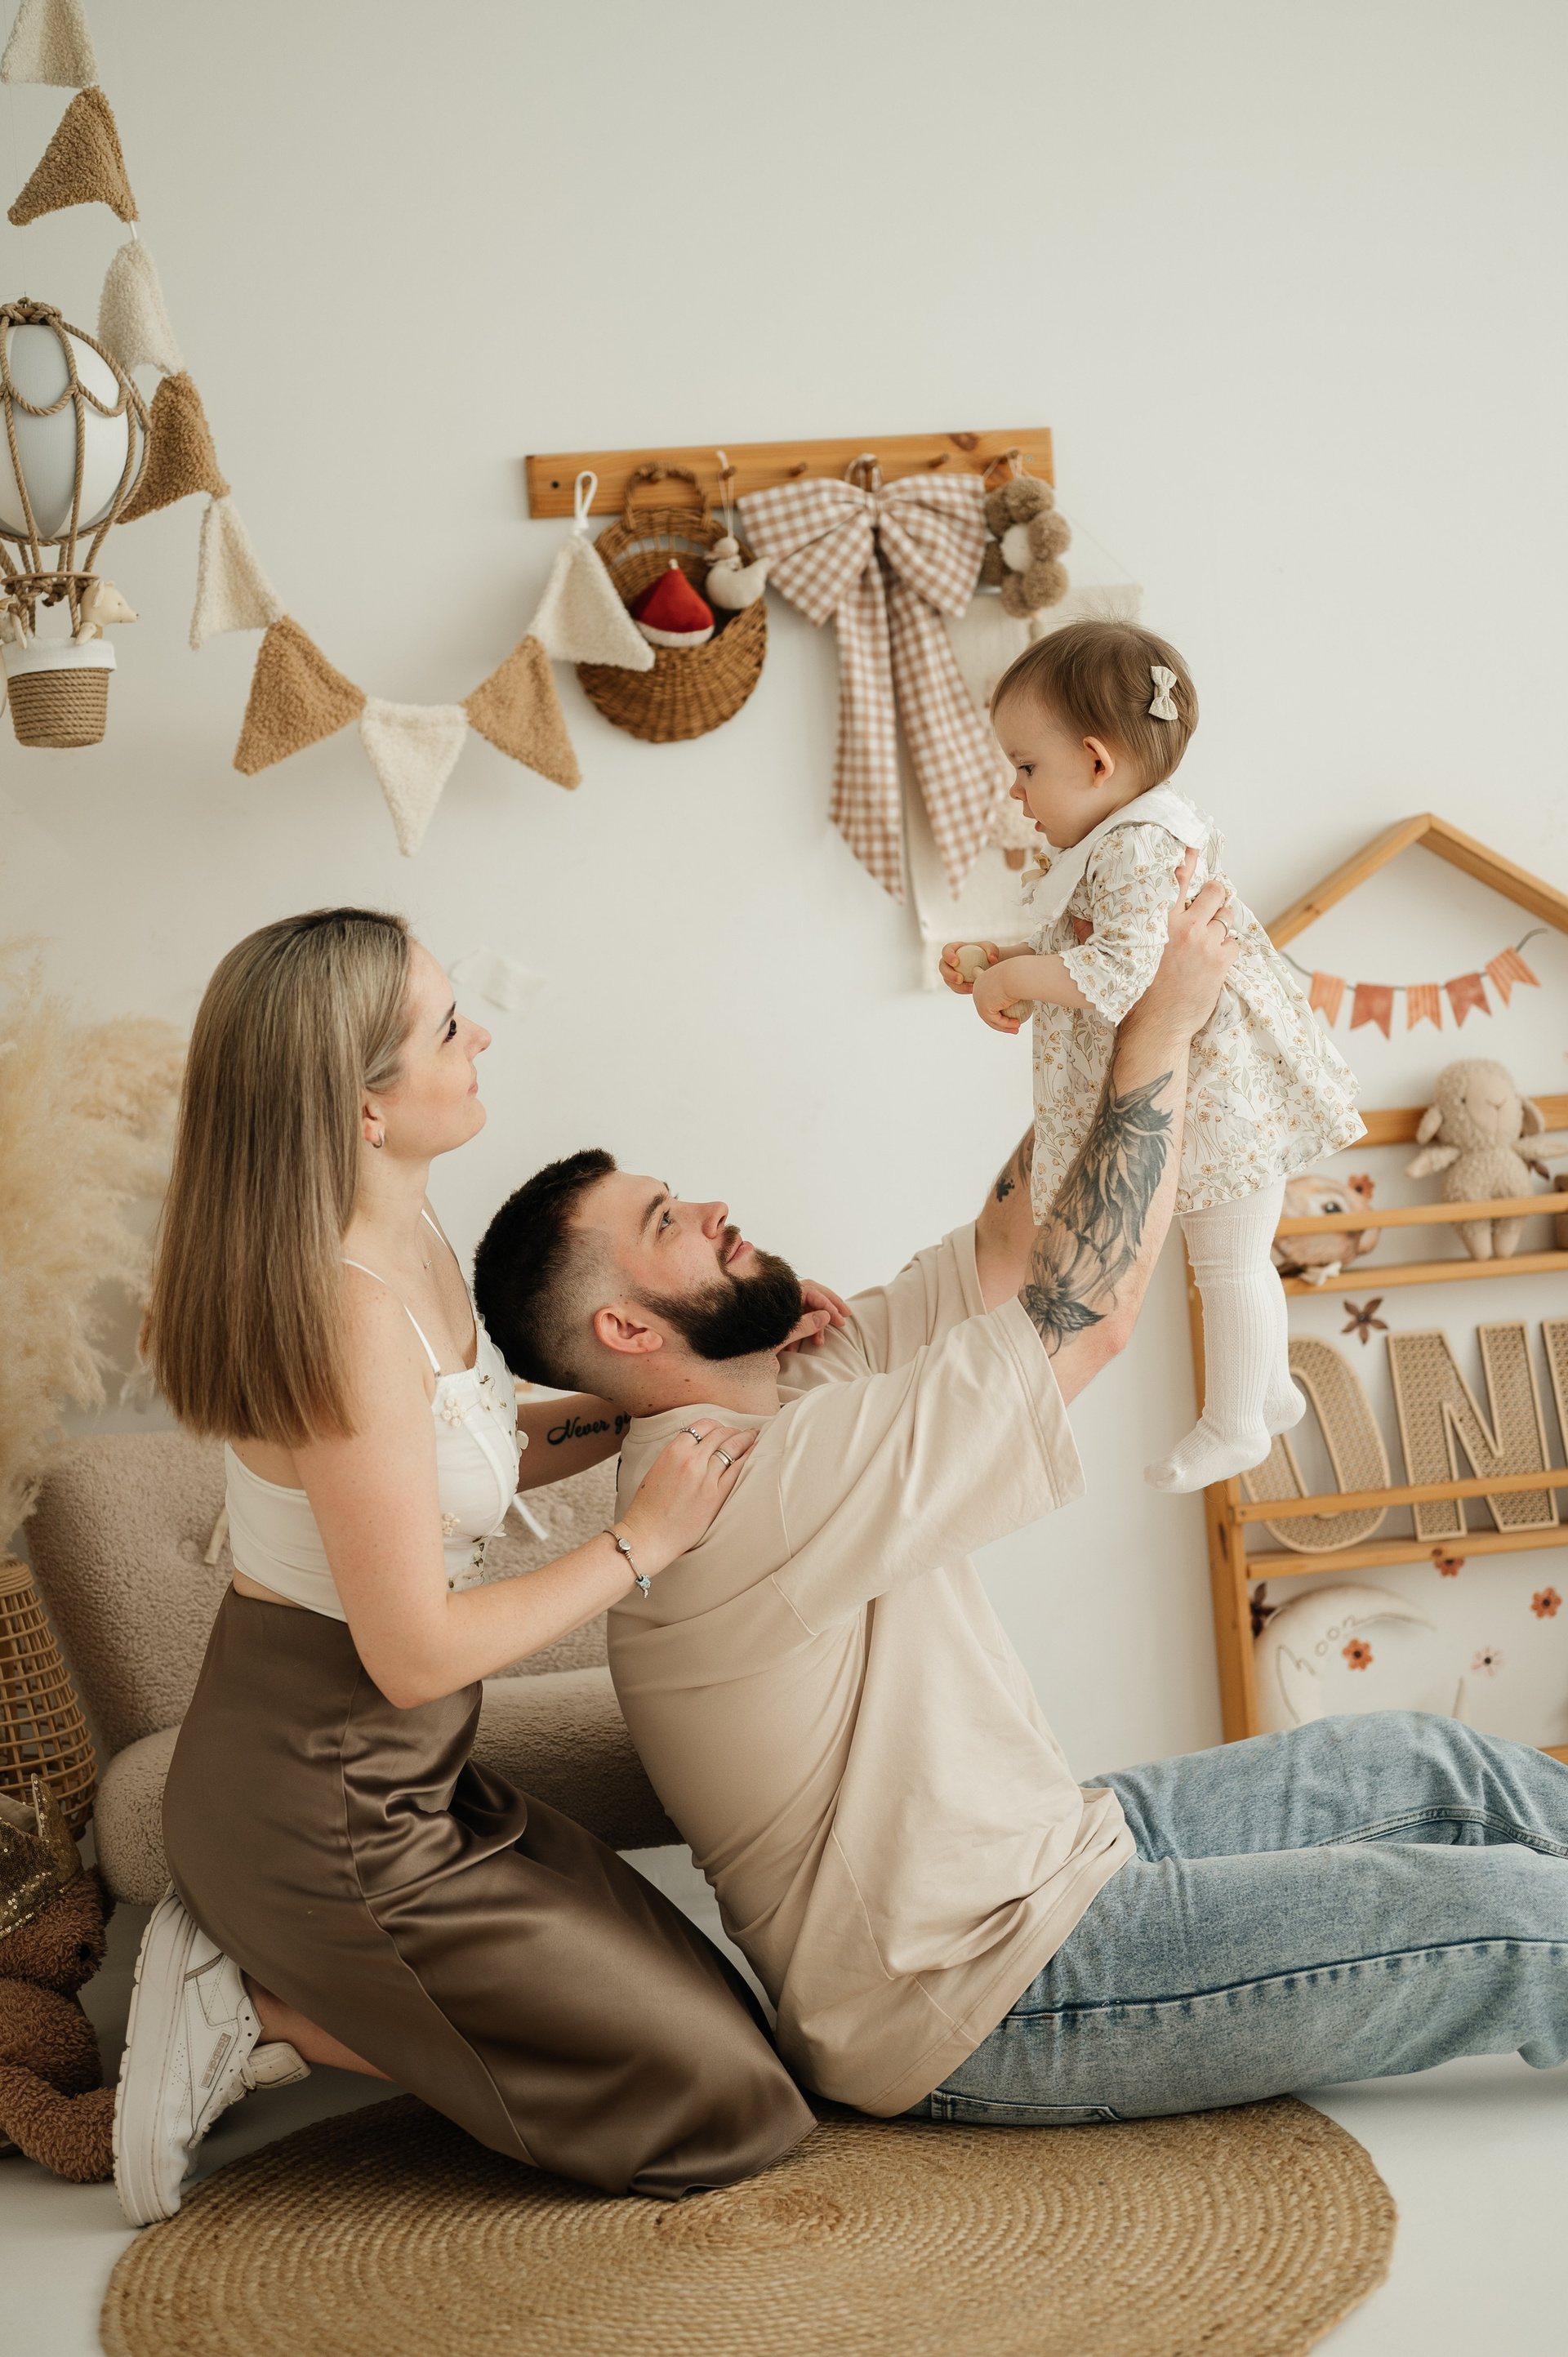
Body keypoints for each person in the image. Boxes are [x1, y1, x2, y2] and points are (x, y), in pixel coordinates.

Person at [473, 865, 1568, 2132]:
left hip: (1054, 1849)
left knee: (1428, 1763)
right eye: (669, 1219)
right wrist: (1159, 1031)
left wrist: (1106, 995)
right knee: (1506, 1919)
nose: (713, 1206)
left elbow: (1015, 1240)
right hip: (986, 1987)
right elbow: (1082, 1312)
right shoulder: (736, 1490)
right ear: (626, 1326)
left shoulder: (794, 1383)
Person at [117, 908, 816, 2229]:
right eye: (447, 1026)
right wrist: (640, 1541)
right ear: (364, 1109)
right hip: (319, 1798)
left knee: (742, 2036)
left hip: (408, 1776)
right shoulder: (346, 1309)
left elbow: (465, 1451)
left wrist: (683, 1387)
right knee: (727, 2109)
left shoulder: (410, 1235)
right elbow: (413, 1652)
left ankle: (280, 1998)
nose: (480, 1032)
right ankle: (255, 2005)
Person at [939, 618, 1363, 1494]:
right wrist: (1004, 958)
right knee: (1236, 1256)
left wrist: (1014, 976)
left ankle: (1237, 1422)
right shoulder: (1119, 842)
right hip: (1209, 1087)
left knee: (1231, 1261)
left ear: (1096, 763)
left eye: (1026, 766)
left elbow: (1118, 973)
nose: (1015, 790)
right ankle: (1270, 1391)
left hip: (1223, 1094)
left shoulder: (1138, 845)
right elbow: (1091, 948)